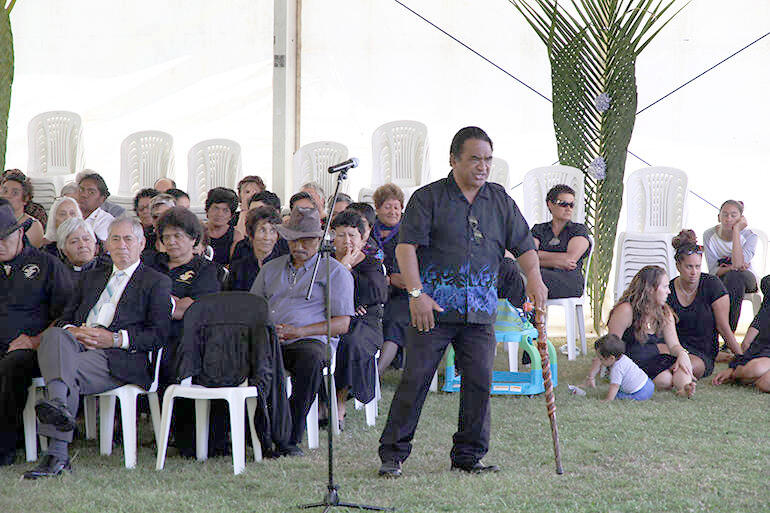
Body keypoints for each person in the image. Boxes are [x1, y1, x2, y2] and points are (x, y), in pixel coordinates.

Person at [377, 126, 548, 478]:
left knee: (480, 384)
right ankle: (393, 454)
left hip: (481, 311)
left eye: (487, 159)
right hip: (432, 311)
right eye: (474, 159)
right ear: (453, 160)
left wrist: (535, 279)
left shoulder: (499, 200)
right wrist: (415, 294)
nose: (482, 166)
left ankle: (468, 456)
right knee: (416, 380)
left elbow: (525, 246)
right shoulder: (429, 198)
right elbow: (405, 248)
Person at [23, 216, 172, 479]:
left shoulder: (156, 282)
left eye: (128, 239)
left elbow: (158, 335)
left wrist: (114, 339)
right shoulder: (92, 277)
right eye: (115, 239)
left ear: (141, 244)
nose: (122, 245)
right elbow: (66, 319)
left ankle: (56, 452)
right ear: (106, 245)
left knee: (63, 370)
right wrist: (76, 332)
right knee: (56, 336)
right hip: (76, 346)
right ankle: (59, 407)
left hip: (118, 356)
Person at [250, 206, 354, 456]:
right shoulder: (271, 268)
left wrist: (299, 331)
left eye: (307, 240)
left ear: (319, 240)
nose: (299, 246)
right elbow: (253, 307)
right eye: (294, 240)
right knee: (242, 358)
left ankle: (289, 437)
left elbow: (342, 324)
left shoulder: (335, 271)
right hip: (270, 338)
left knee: (311, 359)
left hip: (308, 341)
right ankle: (253, 432)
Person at [0, 204, 74, 465]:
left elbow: (68, 315)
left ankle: (4, 446)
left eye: (3, 238)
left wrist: (34, 340)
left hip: (33, 351)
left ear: (20, 233)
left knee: (13, 364)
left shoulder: (47, 265)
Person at [145, 207, 221, 456]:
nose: (172, 242)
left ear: (193, 239)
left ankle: (180, 434)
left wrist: (160, 302)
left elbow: (192, 310)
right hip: (149, 332)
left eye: (178, 236)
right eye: (166, 237)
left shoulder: (205, 270)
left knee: (174, 358)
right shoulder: (150, 263)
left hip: (185, 337)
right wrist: (172, 303)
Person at [586, 265, 695, 397]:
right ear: (650, 289)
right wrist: (591, 375)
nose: (669, 292)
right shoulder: (626, 310)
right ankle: (678, 385)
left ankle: (684, 388)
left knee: (681, 364)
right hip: (631, 363)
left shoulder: (664, 312)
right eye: (665, 287)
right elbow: (608, 345)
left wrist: (682, 354)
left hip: (654, 359)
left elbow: (673, 345)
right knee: (665, 379)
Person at [331, 210, 388, 429]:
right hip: (330, 319)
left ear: (362, 238)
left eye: (352, 235)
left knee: (351, 342)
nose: (347, 241)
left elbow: (377, 294)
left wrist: (346, 270)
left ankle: (339, 402)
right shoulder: (324, 260)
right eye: (341, 235)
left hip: (366, 323)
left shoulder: (371, 263)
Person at [667, 230, 742, 378]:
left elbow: (724, 328)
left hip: (702, 352)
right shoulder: (668, 289)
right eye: (689, 267)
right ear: (678, 266)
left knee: (679, 369)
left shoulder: (713, 285)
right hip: (673, 347)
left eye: (698, 266)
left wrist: (741, 358)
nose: (694, 272)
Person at [703, 200, 758, 331]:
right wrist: (731, 267)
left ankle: (728, 333)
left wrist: (736, 231)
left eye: (734, 215)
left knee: (735, 277)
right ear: (718, 217)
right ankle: (707, 334)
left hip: (747, 279)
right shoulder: (709, 235)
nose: (728, 219)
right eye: (725, 214)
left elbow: (738, 265)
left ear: (741, 218)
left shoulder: (750, 236)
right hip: (721, 278)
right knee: (709, 281)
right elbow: (713, 271)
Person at [371, 184, 408, 374]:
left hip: (401, 295)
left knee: (394, 319)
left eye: (397, 207)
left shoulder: (408, 235)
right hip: (371, 291)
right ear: (377, 209)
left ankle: (376, 374)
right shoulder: (368, 232)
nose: (393, 211)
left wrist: (391, 280)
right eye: (387, 207)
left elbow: (410, 276)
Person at [531, 184, 591, 299]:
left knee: (529, 275)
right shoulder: (538, 229)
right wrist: (558, 262)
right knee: (518, 272)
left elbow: (570, 259)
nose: (568, 208)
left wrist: (538, 258)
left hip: (568, 281)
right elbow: (528, 255)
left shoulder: (578, 229)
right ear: (550, 204)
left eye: (571, 205)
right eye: (563, 204)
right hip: (539, 278)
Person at [712, 276, 770, 392]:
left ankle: (747, 376)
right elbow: (746, 343)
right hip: (764, 354)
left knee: (764, 382)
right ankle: (742, 373)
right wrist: (735, 367)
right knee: (755, 369)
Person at [227, 207, 283, 291]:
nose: (267, 237)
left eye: (272, 231)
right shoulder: (240, 267)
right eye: (262, 230)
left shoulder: (284, 266)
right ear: (251, 234)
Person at [594, 334, 654, 402]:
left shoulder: (616, 369)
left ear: (611, 358)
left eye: (601, 359)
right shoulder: (623, 358)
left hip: (640, 393)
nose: (600, 361)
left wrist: (608, 399)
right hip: (648, 383)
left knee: (618, 396)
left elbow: (614, 386)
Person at [0, 170, 44, 247]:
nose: (7, 196)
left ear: (25, 199)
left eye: (15, 193)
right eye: (5, 191)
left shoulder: (33, 226)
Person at [205, 187, 243, 266]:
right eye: (216, 208)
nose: (219, 214)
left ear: (231, 216)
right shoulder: (198, 231)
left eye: (225, 210)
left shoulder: (236, 237)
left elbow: (235, 267)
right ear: (207, 210)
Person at [76, 172, 115, 242]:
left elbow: (93, 245)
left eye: (91, 192)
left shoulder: (106, 220)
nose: (83, 195)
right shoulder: (69, 214)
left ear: (102, 199)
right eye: (81, 190)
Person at [142, 193, 176, 259]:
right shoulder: (145, 241)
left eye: (166, 216)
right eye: (156, 217)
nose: (160, 220)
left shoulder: (183, 241)